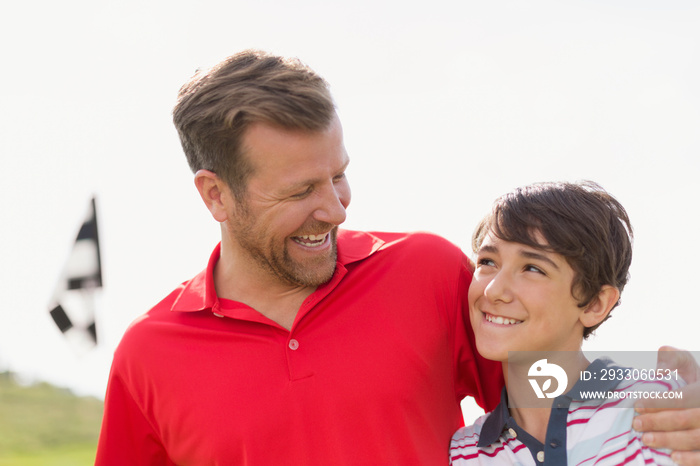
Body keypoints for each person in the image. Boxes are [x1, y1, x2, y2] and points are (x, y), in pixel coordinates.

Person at [96, 50, 700, 465]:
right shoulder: (149, 354)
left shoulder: (426, 272)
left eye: (338, 176)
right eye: (300, 191)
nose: (335, 208)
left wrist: (671, 386)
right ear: (215, 194)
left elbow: (547, 378)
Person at [449, 181, 687, 465]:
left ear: (595, 304)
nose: (493, 291)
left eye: (533, 268)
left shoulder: (656, 410)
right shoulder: (464, 453)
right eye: (487, 262)